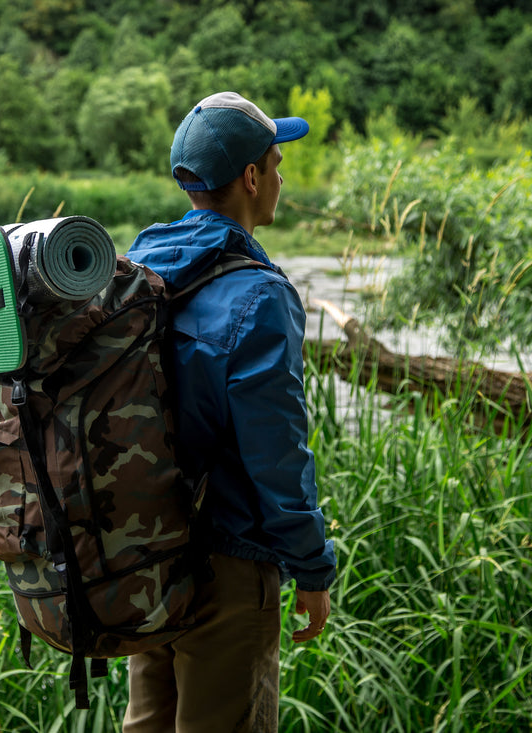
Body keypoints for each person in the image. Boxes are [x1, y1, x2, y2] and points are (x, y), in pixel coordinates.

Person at [121, 92, 337, 733]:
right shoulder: (260, 296)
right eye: (276, 163)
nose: (280, 177)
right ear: (250, 178)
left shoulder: (139, 267)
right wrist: (312, 564)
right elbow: (278, 454)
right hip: (230, 562)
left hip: (145, 554)